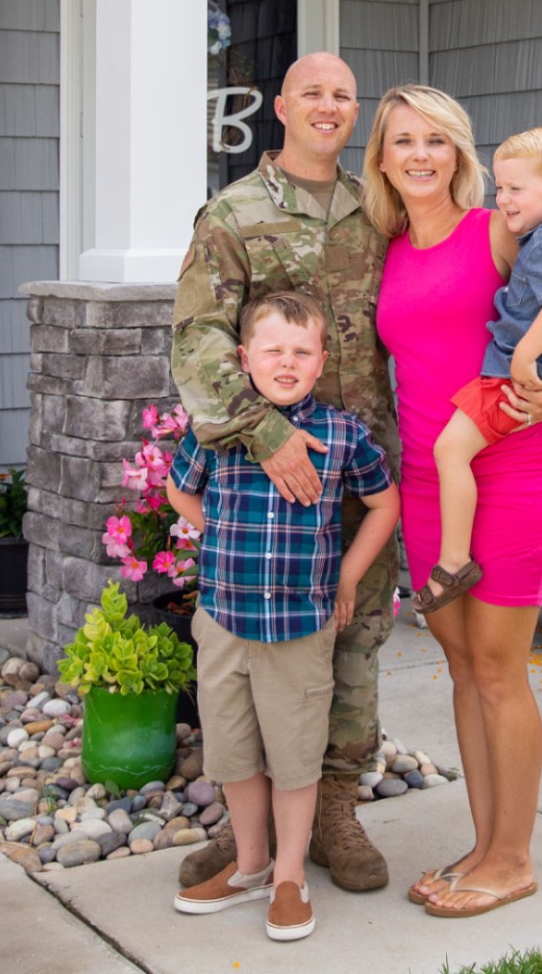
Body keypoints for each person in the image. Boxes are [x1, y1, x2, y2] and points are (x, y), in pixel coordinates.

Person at [171, 52, 401, 895]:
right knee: (251, 650)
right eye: (313, 92)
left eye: (344, 94)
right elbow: (196, 339)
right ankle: (249, 833)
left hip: (360, 465)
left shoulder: (378, 212)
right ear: (281, 107)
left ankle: (334, 811)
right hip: (264, 479)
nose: (330, 106)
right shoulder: (232, 212)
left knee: (355, 635)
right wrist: (265, 435)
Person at [363, 85, 542, 917]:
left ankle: (513, 858)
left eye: (435, 140)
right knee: (461, 671)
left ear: (458, 152)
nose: (419, 154)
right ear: (382, 158)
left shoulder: (497, 229)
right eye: (402, 141)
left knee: (499, 673)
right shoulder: (383, 247)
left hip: (507, 478)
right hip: (429, 490)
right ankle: (484, 842)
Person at [168, 293, 400, 940]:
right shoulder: (215, 429)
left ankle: (290, 877)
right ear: (244, 359)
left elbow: (384, 504)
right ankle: (249, 865)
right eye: (273, 350)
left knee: (296, 759)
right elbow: (176, 488)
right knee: (234, 753)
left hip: (300, 624)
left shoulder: (342, 433)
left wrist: (347, 576)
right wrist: (214, 533)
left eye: (302, 352)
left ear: (322, 359)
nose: (287, 362)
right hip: (221, 617)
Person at [413, 127, 542, 613]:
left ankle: (455, 561)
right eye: (499, 188)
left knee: (449, 450)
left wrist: (524, 356)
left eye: (515, 189)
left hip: (511, 378)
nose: (503, 199)